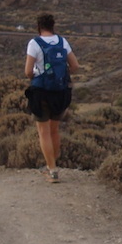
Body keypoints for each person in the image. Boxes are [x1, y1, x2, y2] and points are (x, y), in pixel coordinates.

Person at [24, 13, 79, 183]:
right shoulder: (63, 42)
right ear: (53, 25)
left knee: (43, 132)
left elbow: (28, 71)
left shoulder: (35, 43)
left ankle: (52, 171)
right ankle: (52, 166)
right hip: (61, 92)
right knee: (54, 130)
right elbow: (75, 66)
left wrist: (38, 74)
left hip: (41, 91)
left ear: (39, 26)